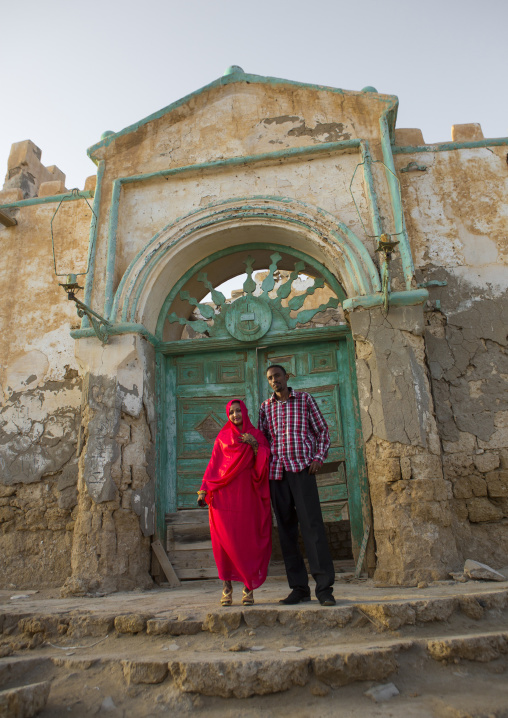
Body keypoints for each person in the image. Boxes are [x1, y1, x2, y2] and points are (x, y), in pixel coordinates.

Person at [259, 365, 336, 606]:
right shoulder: (265, 407)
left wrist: (318, 458)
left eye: (277, 376)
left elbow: (323, 431)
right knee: (286, 532)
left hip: (302, 470)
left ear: (287, 377)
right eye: (270, 378)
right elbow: (264, 440)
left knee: (312, 528)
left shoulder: (304, 400)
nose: (274, 381)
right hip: (277, 475)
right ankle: (299, 588)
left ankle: (324, 590)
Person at [197, 399, 272, 606]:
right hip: (223, 498)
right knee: (224, 544)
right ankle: (227, 588)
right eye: (231, 412)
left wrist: (255, 446)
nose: (235, 415)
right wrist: (204, 489)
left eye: (239, 411)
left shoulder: (256, 436)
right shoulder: (222, 438)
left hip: (247, 497)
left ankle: (248, 588)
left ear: (245, 412)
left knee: (247, 541)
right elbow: (214, 464)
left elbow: (264, 466)